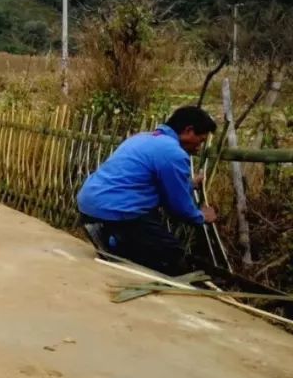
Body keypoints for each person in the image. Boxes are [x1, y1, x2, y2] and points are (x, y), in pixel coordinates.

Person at [77, 105, 218, 275]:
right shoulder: (173, 152)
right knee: (172, 254)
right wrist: (201, 216)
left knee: (149, 213)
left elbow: (146, 181)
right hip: (116, 209)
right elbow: (178, 205)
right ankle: (115, 242)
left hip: (89, 203)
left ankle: (108, 233)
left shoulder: (143, 138)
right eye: (201, 141)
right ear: (189, 131)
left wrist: (188, 184)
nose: (199, 148)